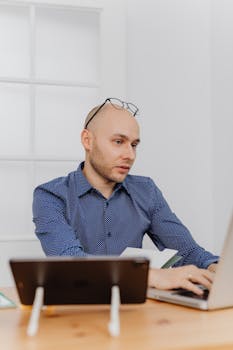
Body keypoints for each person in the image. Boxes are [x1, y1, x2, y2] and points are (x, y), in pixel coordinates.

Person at [33, 97, 218, 296]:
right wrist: (152, 276)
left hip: (135, 311)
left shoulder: (146, 191)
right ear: (88, 140)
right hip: (77, 308)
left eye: (134, 145)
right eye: (118, 142)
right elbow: (70, 262)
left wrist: (216, 269)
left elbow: (189, 253)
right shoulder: (50, 196)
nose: (129, 154)